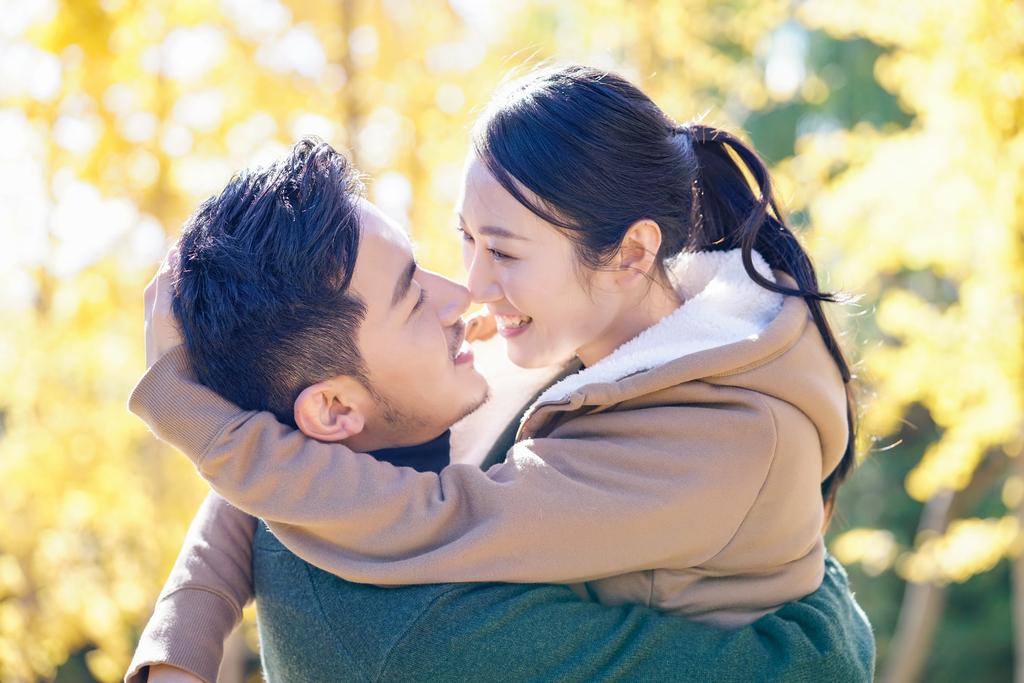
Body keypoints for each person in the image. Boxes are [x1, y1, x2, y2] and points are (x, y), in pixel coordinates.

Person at [126, 65, 872, 678]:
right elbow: (277, 459)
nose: (470, 289)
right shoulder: (611, 335)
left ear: (632, 254)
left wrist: (188, 410)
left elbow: (430, 514)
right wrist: (180, 637)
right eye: (466, 241)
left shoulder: (708, 435)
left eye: (505, 252)